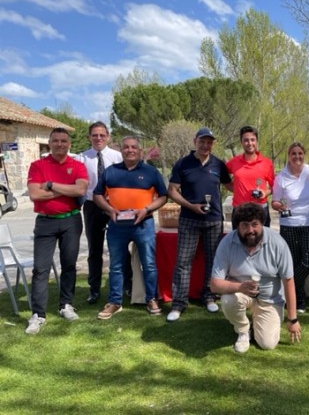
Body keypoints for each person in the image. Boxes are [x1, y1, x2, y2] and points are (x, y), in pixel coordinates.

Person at [210, 203, 301, 353]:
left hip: (270, 299)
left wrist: (293, 319)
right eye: (245, 225)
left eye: (254, 225)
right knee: (228, 300)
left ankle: (259, 319)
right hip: (241, 293)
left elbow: (288, 281)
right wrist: (239, 287)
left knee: (267, 344)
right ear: (237, 226)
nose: (250, 230)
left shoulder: (277, 242)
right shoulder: (226, 243)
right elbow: (215, 284)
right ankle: (243, 330)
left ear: (262, 224)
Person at [93, 136, 167, 320]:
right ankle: (115, 302)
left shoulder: (151, 172)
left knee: (149, 264)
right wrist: (109, 209)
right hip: (117, 226)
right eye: (126, 147)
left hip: (144, 224)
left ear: (140, 151)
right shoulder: (110, 172)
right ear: (121, 150)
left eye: (134, 147)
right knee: (116, 266)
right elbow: (97, 195)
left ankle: (151, 299)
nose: (130, 150)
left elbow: (163, 196)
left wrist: (147, 209)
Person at [25, 128, 88, 334]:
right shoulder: (37, 166)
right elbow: (35, 194)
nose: (60, 144)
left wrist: (51, 186)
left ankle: (66, 305)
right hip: (45, 222)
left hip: (71, 220)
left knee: (69, 265)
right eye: (56, 141)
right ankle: (38, 314)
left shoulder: (77, 165)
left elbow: (80, 190)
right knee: (40, 269)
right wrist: (65, 189)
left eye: (64, 141)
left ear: (69, 144)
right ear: (49, 143)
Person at [166, 128, 232, 321]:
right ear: (195, 141)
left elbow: (231, 186)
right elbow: (172, 190)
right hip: (189, 219)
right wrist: (190, 205)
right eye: (202, 141)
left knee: (213, 261)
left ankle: (209, 296)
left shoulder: (218, 164)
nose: (205, 145)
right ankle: (178, 304)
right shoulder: (183, 164)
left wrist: (256, 187)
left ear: (213, 144)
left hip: (213, 220)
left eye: (209, 142)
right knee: (183, 262)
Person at [272, 142, 309, 313]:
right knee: (292, 263)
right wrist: (280, 206)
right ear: (288, 156)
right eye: (293, 153)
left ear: (304, 155)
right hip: (288, 225)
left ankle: (289, 287)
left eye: (300, 153)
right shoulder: (281, 177)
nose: (297, 157)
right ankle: (298, 301)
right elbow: (275, 201)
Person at [77, 121, 124, 304]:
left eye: (102, 135)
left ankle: (125, 285)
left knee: (120, 248)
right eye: (94, 135)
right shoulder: (82, 158)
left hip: (115, 205)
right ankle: (94, 290)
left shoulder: (118, 157)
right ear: (89, 137)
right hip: (92, 207)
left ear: (108, 137)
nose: (98, 138)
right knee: (94, 250)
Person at [226, 126, 275, 227]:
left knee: (262, 242)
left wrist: (265, 193)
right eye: (246, 140)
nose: (250, 143)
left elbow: (274, 187)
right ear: (241, 142)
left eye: (252, 140)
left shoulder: (267, 163)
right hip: (240, 209)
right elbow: (223, 177)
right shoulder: (234, 162)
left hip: (260, 209)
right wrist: (235, 189)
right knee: (239, 242)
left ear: (256, 141)